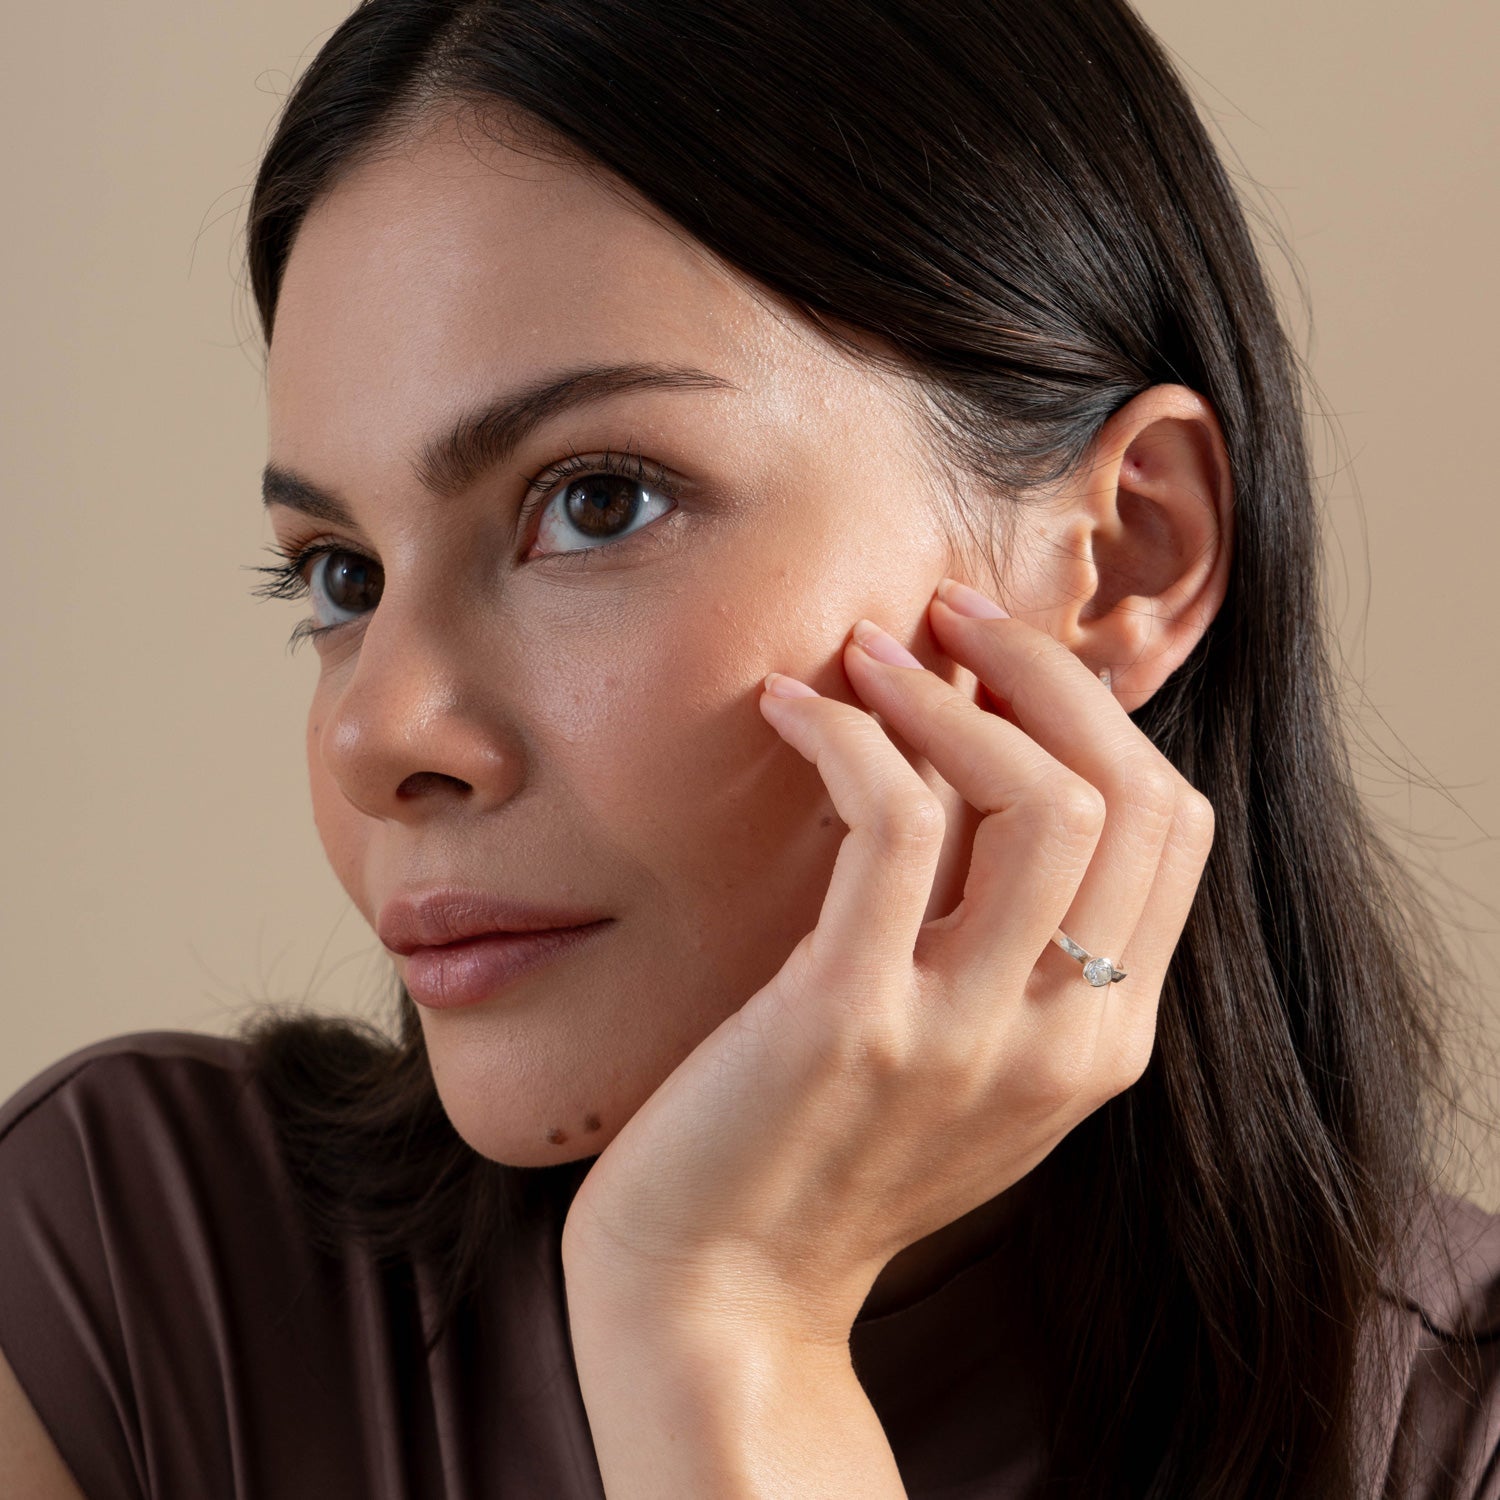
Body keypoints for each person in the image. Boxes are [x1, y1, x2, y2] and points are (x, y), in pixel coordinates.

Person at [2, 0, 1497, 1495]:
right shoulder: (122, 1287)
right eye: (341, 574)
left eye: (595, 500)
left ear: (1122, 558)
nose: (376, 735)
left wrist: (723, 1335)